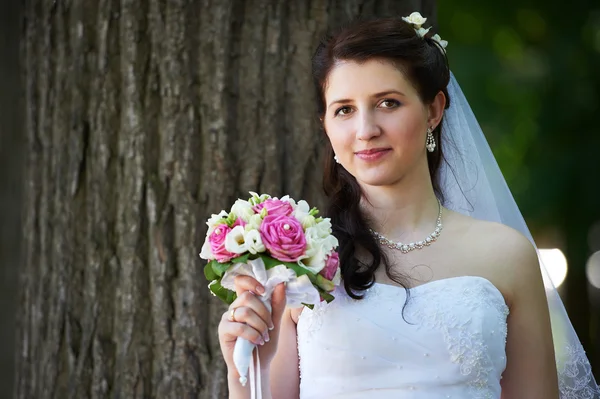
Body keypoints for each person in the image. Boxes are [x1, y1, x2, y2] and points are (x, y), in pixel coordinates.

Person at [217, 14, 600, 399]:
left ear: (433, 110)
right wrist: (245, 369)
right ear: (326, 126)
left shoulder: (507, 254)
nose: (365, 129)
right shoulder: (294, 264)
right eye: (344, 109)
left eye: (388, 102)